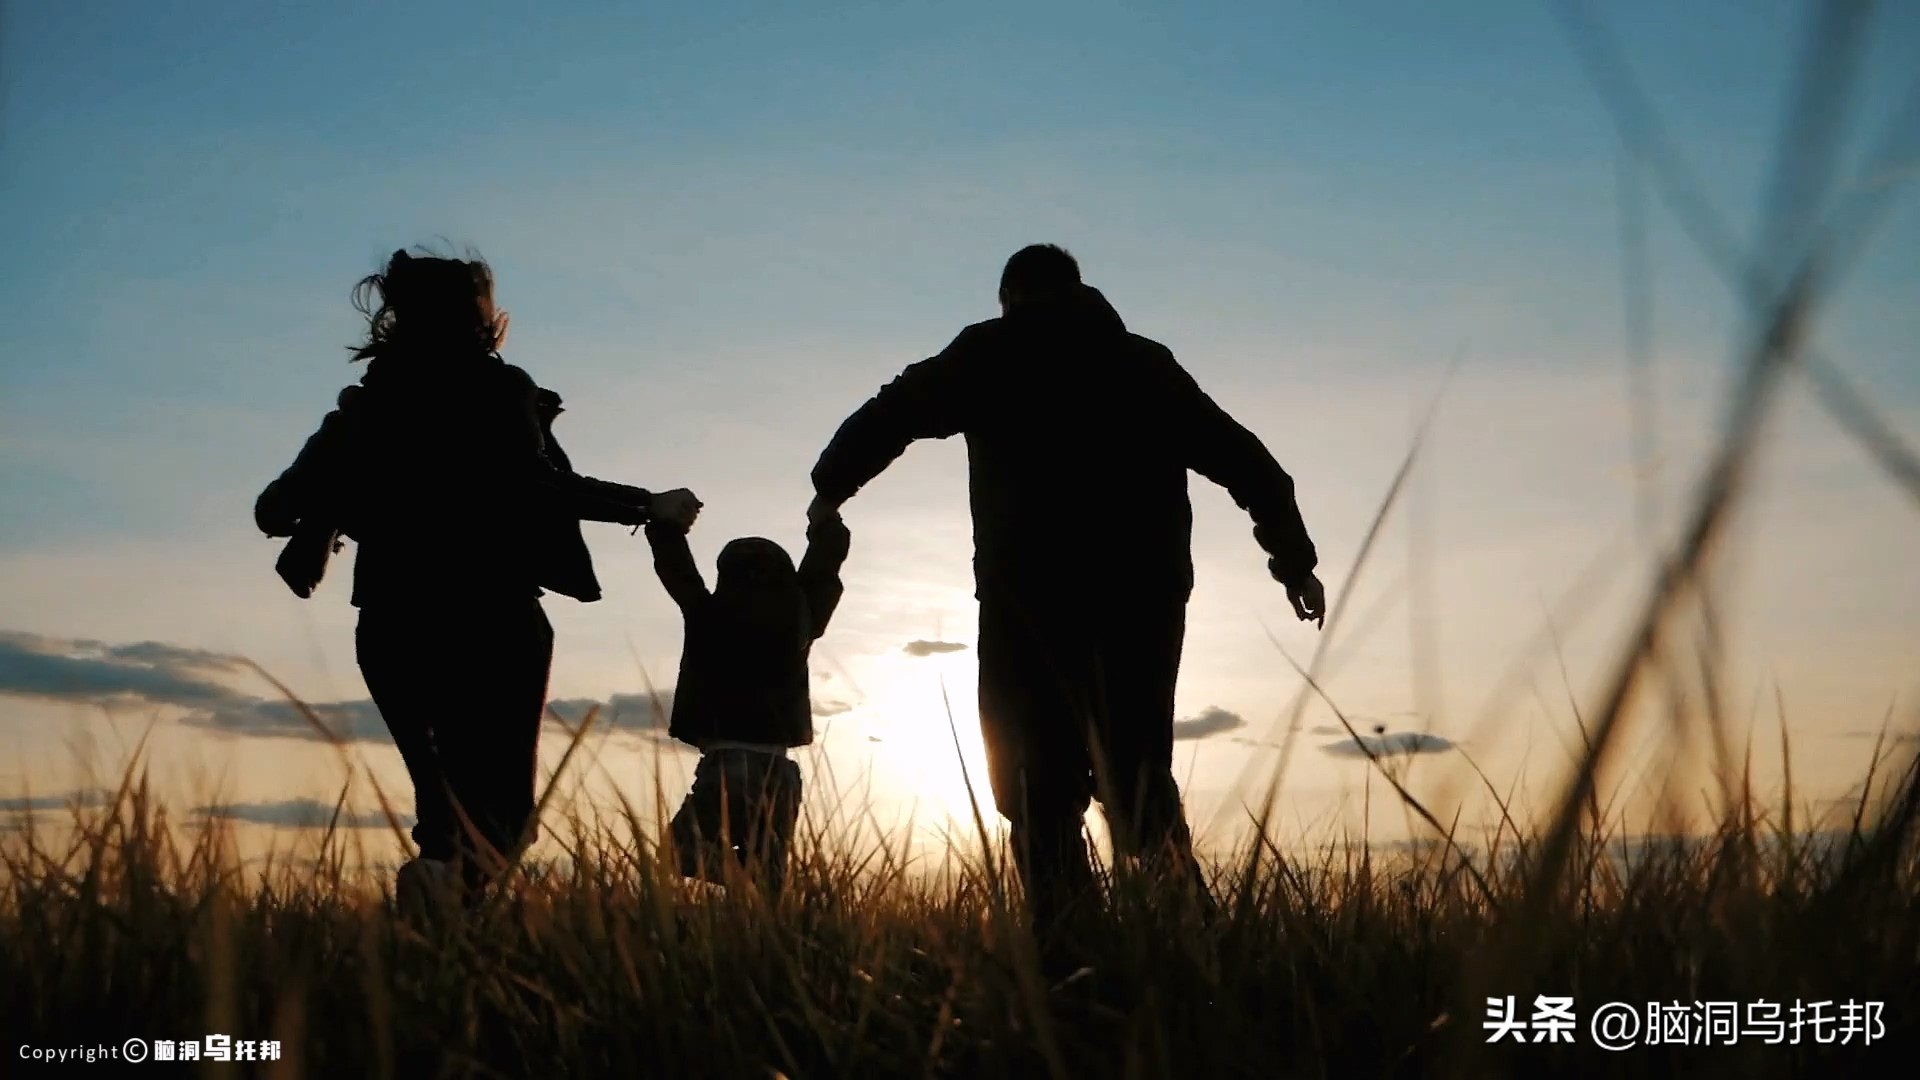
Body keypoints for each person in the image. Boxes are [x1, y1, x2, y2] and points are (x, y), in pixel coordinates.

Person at [808, 243, 1326, 945]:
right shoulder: (1146, 365)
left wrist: (830, 487)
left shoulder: (988, 353)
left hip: (1028, 593)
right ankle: (1200, 946)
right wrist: (1292, 560)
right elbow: (1248, 462)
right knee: (1137, 771)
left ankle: (1069, 949)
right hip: (1142, 596)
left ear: (1009, 296)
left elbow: (893, 410)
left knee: (1035, 783)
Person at [253, 248, 703, 907]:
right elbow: (538, 485)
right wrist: (646, 503)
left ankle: (433, 934)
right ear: (478, 315)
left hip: (390, 621)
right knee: (502, 818)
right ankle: (446, 914)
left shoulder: (358, 411)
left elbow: (273, 511)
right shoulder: (498, 389)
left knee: (442, 811)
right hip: (491, 614)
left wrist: (338, 512)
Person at [644, 499, 853, 894]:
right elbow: (824, 570)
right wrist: (827, 524)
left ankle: (749, 884)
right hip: (780, 771)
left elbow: (677, 571)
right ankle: (764, 918)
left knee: (679, 853)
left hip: (727, 763)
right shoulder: (803, 618)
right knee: (769, 886)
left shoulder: (708, 613)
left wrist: (664, 526)